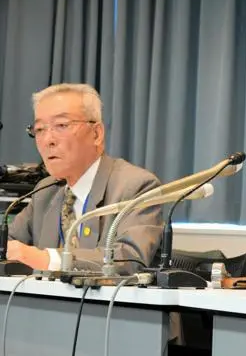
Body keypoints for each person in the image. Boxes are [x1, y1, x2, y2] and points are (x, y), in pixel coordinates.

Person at [8, 83, 163, 274]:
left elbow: (129, 258)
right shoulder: (45, 191)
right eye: (40, 129)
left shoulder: (136, 186)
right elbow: (8, 244)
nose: (48, 140)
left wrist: (49, 260)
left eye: (61, 125)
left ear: (96, 134)